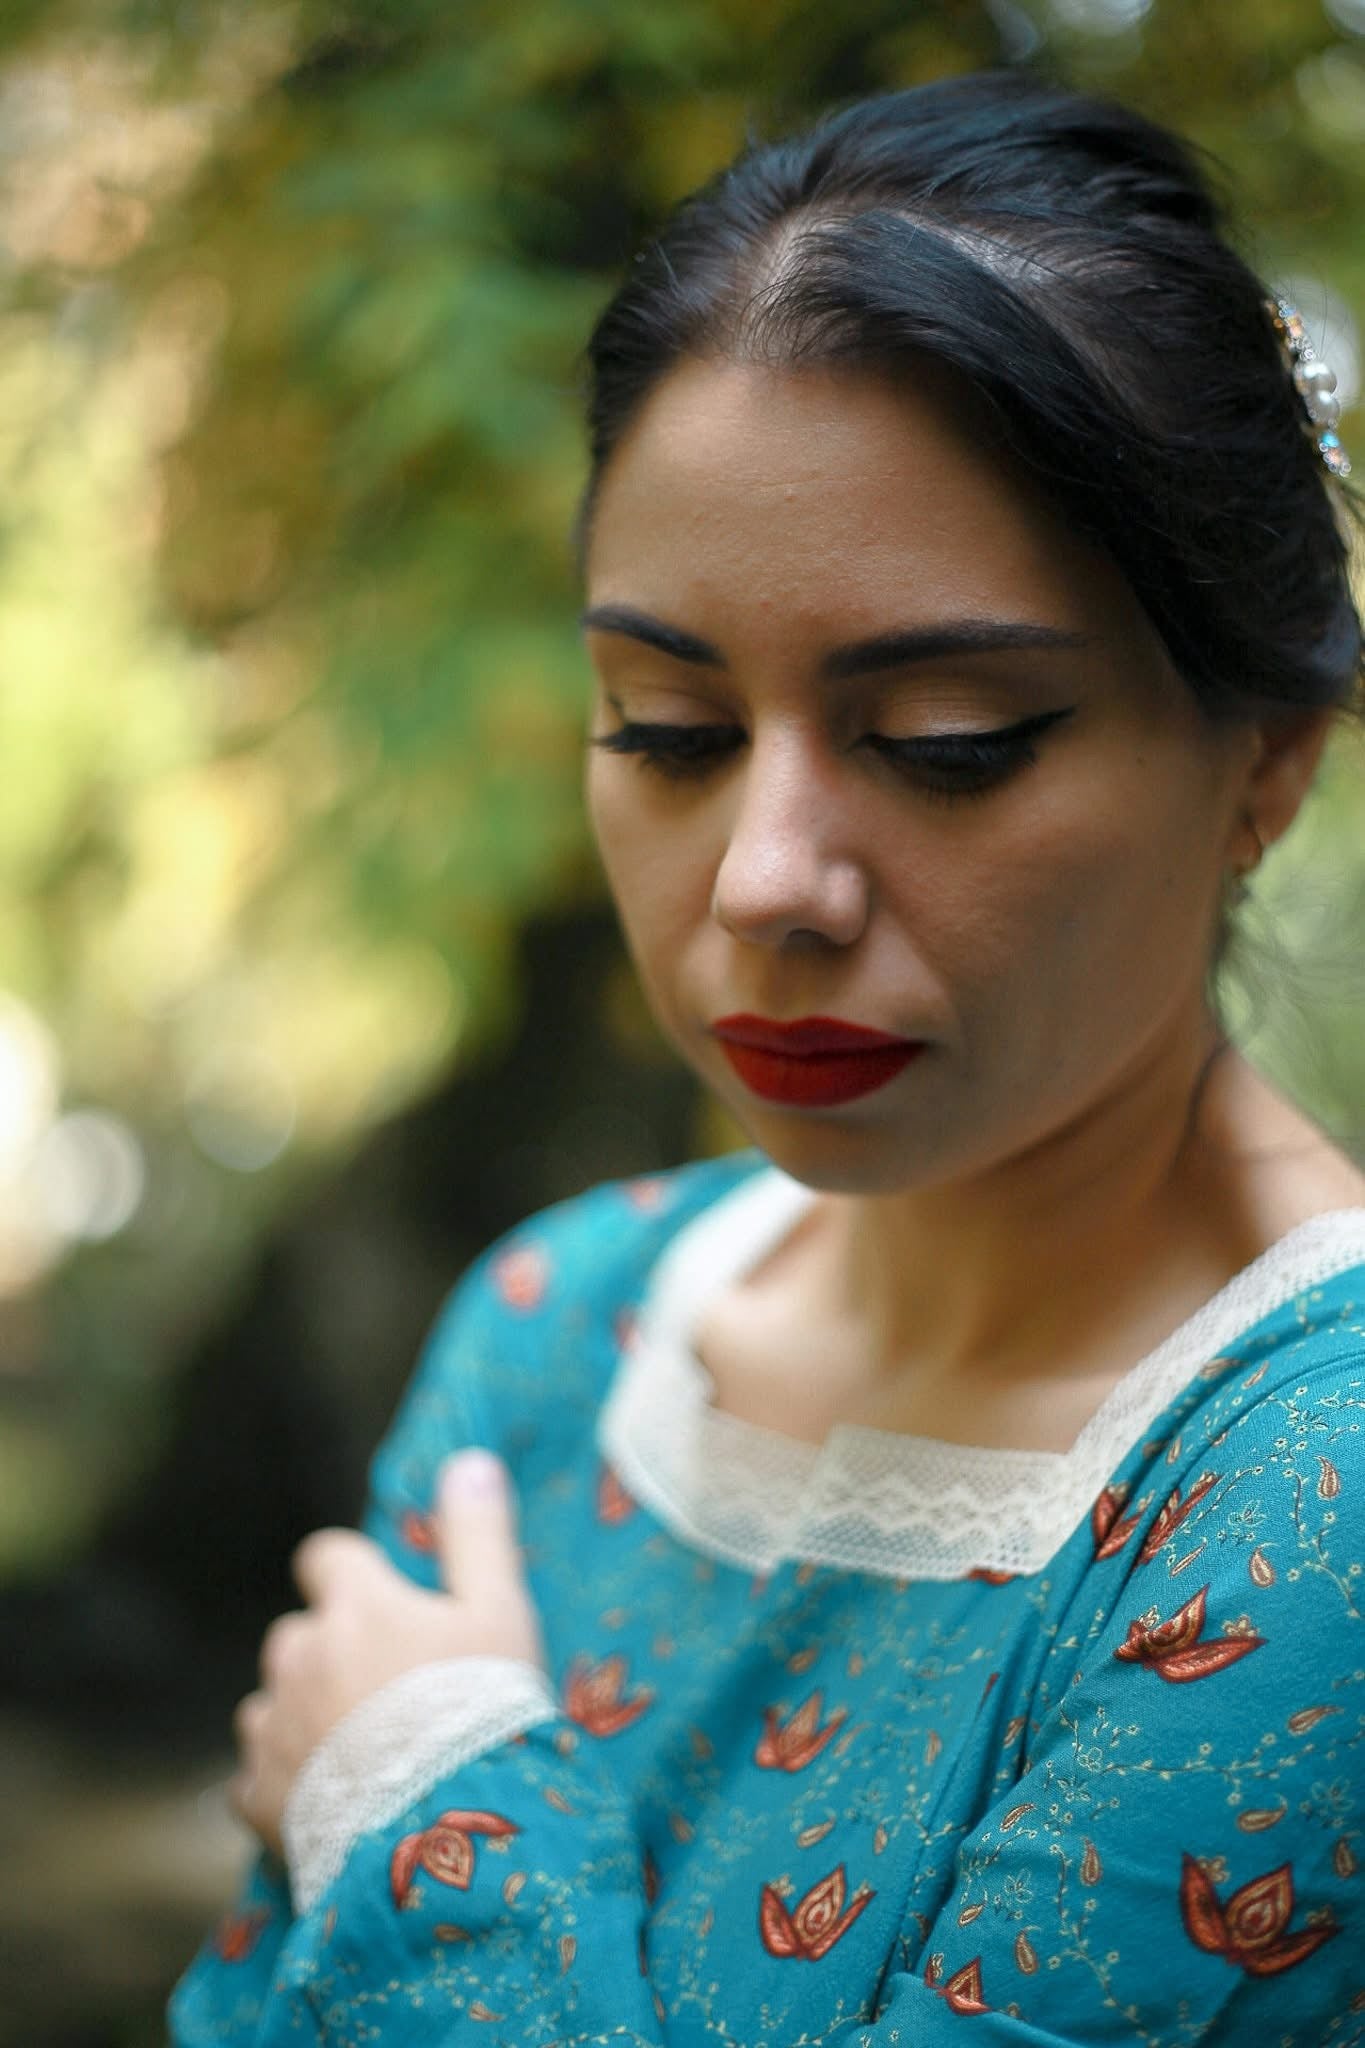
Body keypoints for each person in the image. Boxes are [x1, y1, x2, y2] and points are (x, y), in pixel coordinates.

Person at [169, 67, 1365, 2046]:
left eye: (945, 742)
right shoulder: (563, 1324)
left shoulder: (1310, 1492)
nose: (763, 884)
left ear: (1264, 761)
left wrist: (424, 1819)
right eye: (666, 729)